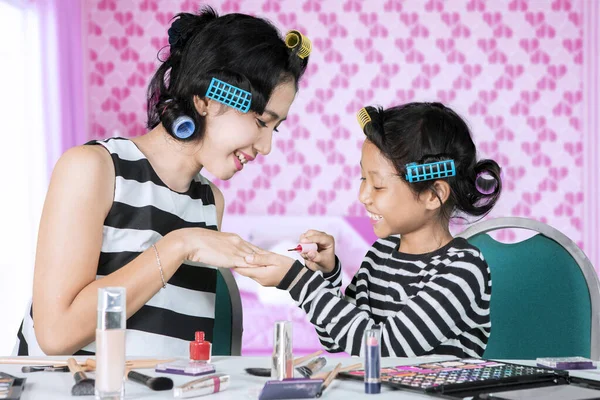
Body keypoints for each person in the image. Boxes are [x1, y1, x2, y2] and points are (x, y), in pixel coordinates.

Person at [14, 6, 310, 356]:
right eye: (262, 122)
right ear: (207, 99)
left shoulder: (209, 202)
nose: (267, 146)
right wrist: (178, 246)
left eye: (275, 128)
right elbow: (55, 334)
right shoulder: (94, 169)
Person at [236, 102, 502, 357]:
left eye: (377, 185)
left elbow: (382, 348)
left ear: (434, 194)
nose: (363, 195)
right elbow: (336, 340)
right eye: (363, 179)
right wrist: (329, 275)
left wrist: (298, 281)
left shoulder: (463, 269)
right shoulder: (380, 254)